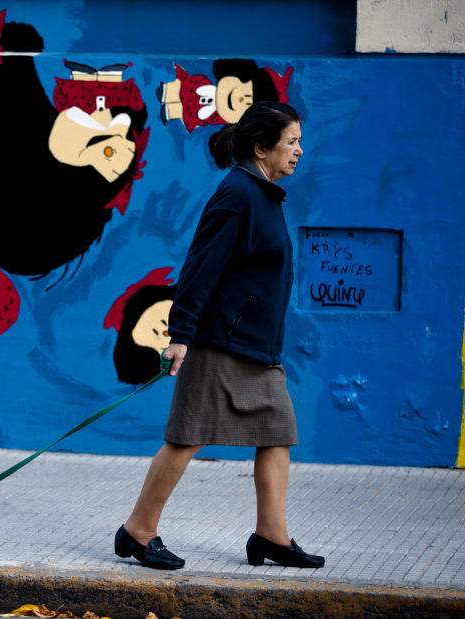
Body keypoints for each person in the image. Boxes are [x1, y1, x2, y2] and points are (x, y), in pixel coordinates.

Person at [114, 101, 324, 570]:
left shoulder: (263, 193)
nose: (300, 151)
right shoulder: (238, 195)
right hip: (220, 344)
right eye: (291, 142)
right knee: (187, 437)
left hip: (257, 349)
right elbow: (199, 269)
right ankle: (138, 530)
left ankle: (271, 536)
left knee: (277, 432)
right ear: (260, 147)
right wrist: (181, 332)